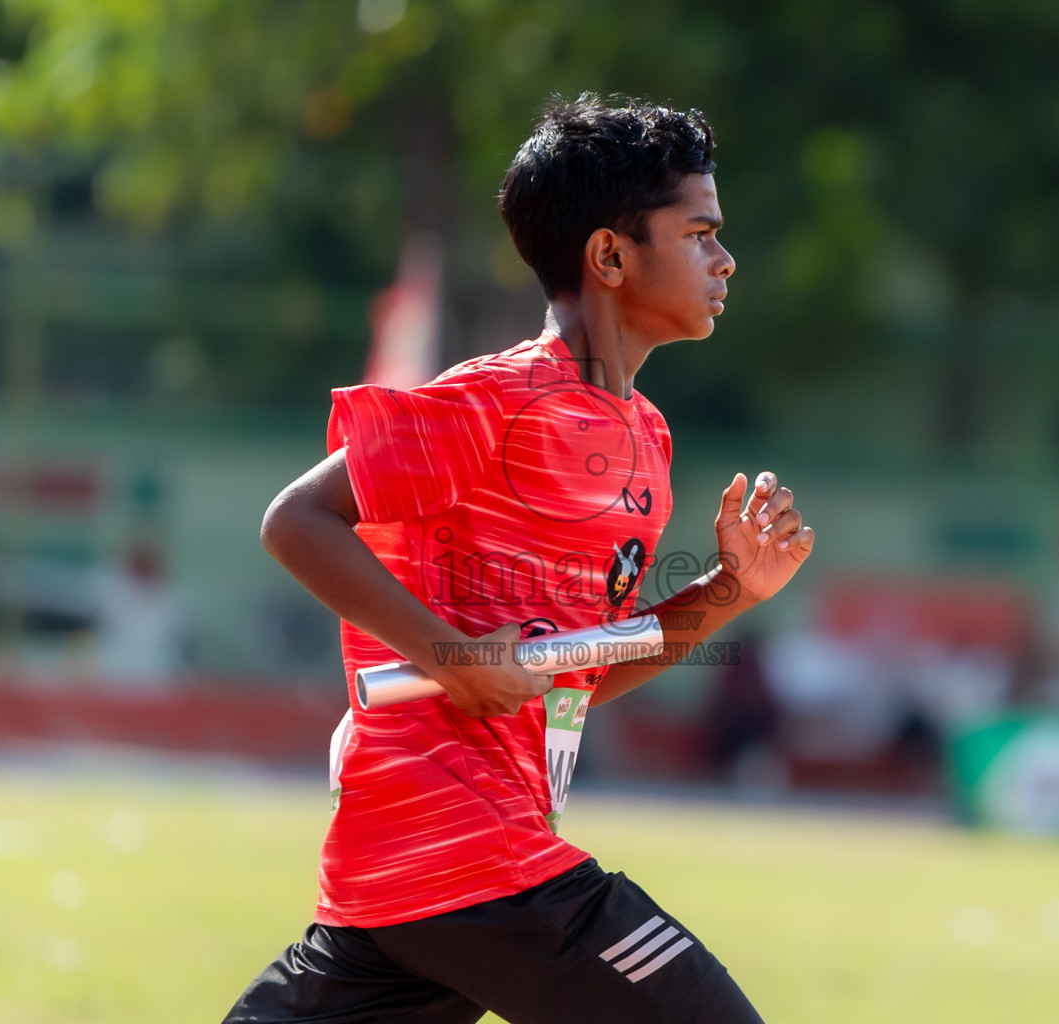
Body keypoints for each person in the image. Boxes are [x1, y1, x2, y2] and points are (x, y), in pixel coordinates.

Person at [224, 93, 815, 1024]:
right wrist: (448, 655)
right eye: (699, 233)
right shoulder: (494, 402)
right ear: (611, 256)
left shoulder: (646, 439)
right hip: (468, 854)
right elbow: (296, 520)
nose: (724, 258)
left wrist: (726, 593)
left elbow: (565, 676)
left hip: (425, 866)